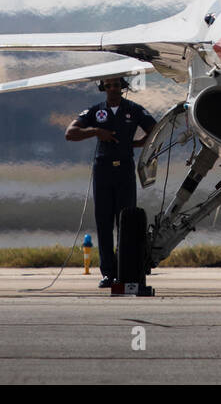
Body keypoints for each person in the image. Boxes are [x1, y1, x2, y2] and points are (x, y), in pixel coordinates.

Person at [65, 77, 157, 287]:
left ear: (123, 87)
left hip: (124, 169)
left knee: (126, 221)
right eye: (109, 86)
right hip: (103, 169)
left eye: (117, 85)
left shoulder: (133, 110)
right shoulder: (96, 111)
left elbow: (156, 129)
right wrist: (97, 131)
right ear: (103, 88)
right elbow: (70, 133)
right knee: (104, 222)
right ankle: (107, 273)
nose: (113, 89)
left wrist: (138, 143)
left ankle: (124, 270)